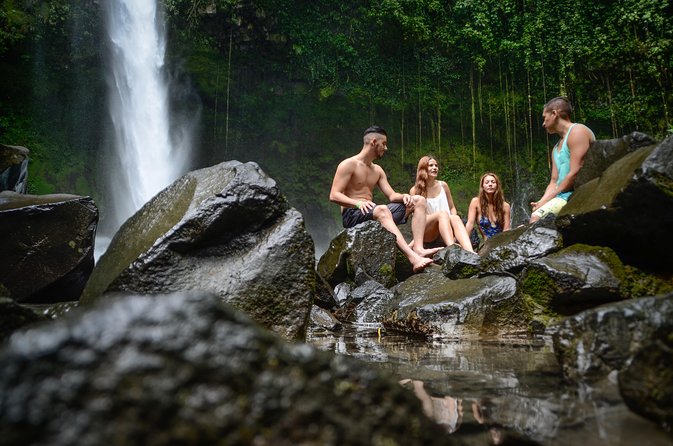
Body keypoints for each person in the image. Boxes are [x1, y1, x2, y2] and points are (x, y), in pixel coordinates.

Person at [329, 125, 441, 272]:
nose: (386, 148)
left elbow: (392, 196)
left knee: (418, 200)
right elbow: (334, 195)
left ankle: (419, 249)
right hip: (352, 215)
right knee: (381, 209)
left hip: (373, 213)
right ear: (374, 142)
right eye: (384, 144)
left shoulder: (377, 170)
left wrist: (405, 196)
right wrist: (357, 203)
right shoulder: (348, 165)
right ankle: (413, 258)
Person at [530, 96, 595, 223]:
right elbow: (554, 181)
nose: (543, 124)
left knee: (536, 218)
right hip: (561, 197)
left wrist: (545, 201)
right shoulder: (555, 148)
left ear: (554, 114)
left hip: (577, 194)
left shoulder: (577, 131)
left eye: (544, 117)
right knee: (537, 215)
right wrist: (541, 201)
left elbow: (574, 173)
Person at [409, 155, 474, 252]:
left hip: (444, 230)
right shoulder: (414, 190)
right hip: (428, 232)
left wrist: (452, 220)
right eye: (431, 165)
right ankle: (452, 248)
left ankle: (471, 252)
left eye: (436, 165)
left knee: (455, 217)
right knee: (442, 214)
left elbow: (452, 208)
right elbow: (417, 220)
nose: (435, 168)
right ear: (423, 168)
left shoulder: (443, 185)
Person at [465, 172, 511, 243]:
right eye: (487, 182)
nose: (490, 184)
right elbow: (470, 224)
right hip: (487, 242)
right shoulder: (475, 202)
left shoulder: (505, 206)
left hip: (501, 242)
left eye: (493, 182)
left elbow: (506, 230)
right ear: (482, 186)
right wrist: (463, 244)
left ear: (497, 185)